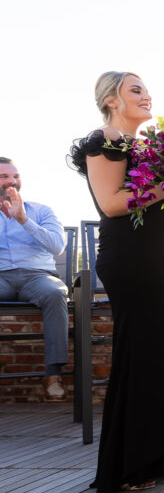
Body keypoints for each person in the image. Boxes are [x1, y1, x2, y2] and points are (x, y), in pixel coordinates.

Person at [67, 71, 164, 493]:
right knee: (144, 355)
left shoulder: (154, 148)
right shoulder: (104, 141)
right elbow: (111, 204)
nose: (147, 96)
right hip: (132, 262)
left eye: (146, 90)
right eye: (136, 90)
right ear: (111, 100)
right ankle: (130, 464)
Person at [0, 158, 69, 397]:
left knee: (56, 293)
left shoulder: (41, 211)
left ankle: (53, 374)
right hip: (1, 278)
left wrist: (24, 221)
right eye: (4, 177)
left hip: (37, 278)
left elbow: (57, 246)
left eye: (15, 176)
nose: (12, 181)